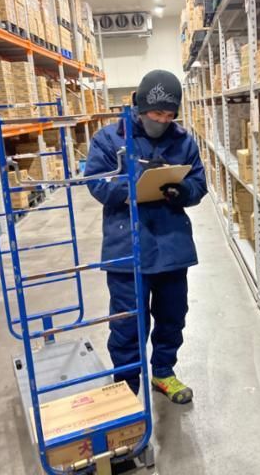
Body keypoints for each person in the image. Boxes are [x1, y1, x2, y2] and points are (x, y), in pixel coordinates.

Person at [84, 70, 207, 404]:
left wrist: (183, 191)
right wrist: (134, 188)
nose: (162, 121)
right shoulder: (110, 138)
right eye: (156, 113)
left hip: (171, 246)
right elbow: (95, 181)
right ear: (139, 105)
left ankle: (163, 372)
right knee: (127, 323)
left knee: (172, 316)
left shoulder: (183, 140)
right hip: (128, 247)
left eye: (169, 115)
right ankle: (126, 385)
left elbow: (199, 184)